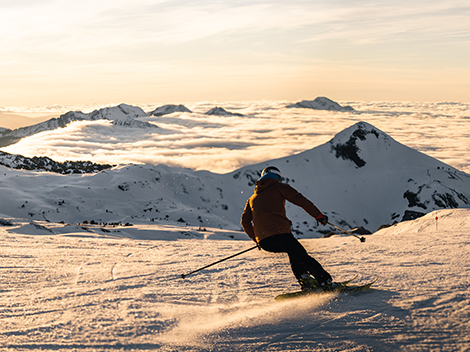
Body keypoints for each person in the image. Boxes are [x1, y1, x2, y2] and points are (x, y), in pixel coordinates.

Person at [241, 166, 338, 291]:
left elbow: (245, 221)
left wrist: (257, 239)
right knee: (303, 257)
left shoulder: (252, 198)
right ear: (277, 177)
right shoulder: (279, 187)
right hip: (281, 235)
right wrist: (318, 216)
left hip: (265, 242)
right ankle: (326, 282)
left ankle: (305, 281)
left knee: (294, 253)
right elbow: (301, 200)